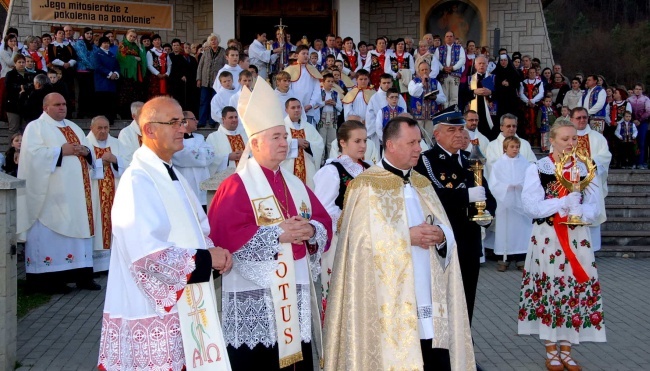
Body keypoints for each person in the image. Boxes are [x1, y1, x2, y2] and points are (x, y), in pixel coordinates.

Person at [326, 116, 474, 371]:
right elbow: (358, 245)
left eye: (419, 141)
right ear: (391, 145)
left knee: (431, 356)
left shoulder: (422, 183)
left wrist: (440, 236)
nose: (419, 148)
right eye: (412, 142)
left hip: (427, 292)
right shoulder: (365, 185)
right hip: (387, 302)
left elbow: (446, 230)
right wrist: (406, 237)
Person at [98, 96, 233, 371]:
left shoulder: (171, 174)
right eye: (173, 122)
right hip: (152, 314)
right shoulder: (138, 180)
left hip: (185, 310)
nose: (183, 128)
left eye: (182, 121)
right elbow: (148, 256)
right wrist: (207, 260)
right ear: (149, 130)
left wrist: (213, 256)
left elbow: (197, 230)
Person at [208, 78, 331, 370]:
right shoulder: (236, 185)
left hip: (295, 287)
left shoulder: (295, 183)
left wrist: (311, 230)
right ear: (255, 143)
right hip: (258, 295)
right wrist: (278, 234)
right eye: (276, 136)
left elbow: (322, 218)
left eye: (284, 136)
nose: (284, 142)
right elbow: (225, 235)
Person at [518, 120, 606, 371]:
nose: (570, 143)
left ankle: (567, 349)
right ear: (552, 141)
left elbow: (595, 206)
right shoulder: (538, 168)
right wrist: (562, 202)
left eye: (574, 139)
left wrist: (580, 210)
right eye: (565, 139)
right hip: (548, 237)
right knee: (550, 289)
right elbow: (531, 206)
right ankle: (550, 349)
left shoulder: (586, 168)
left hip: (577, 237)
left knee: (573, 289)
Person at [414, 107, 496, 330]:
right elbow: (431, 197)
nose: (459, 135)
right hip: (443, 243)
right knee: (441, 302)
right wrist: (466, 195)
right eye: (452, 130)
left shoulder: (472, 159)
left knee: (466, 300)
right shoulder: (426, 161)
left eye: (461, 130)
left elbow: (489, 197)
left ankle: (464, 357)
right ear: (437, 134)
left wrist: (486, 213)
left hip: (469, 242)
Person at [17, 93, 100, 294]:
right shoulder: (36, 127)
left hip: (78, 195)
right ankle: (50, 280)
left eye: (64, 104)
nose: (62, 107)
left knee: (78, 232)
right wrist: (60, 151)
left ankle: (82, 276)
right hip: (51, 196)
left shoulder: (73, 126)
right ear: (46, 107)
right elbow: (32, 156)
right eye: (57, 104)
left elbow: (90, 151)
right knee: (52, 235)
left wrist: (85, 152)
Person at [313, 120, 371, 311]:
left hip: (367, 242)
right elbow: (323, 210)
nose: (363, 146)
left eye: (365, 140)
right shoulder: (331, 171)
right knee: (340, 297)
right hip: (340, 242)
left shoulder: (369, 169)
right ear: (343, 142)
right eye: (357, 141)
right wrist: (354, 219)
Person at [86, 116, 125, 272]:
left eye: (106, 128)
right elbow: (81, 168)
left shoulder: (116, 144)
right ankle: (95, 266)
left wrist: (115, 160)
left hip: (115, 193)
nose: (103, 131)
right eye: (99, 128)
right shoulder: (85, 144)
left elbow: (127, 163)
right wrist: (101, 162)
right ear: (91, 129)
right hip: (94, 193)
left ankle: (113, 264)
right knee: (96, 223)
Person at [487, 136, 531, 271]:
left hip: (520, 203)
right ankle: (503, 258)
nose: (515, 149)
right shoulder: (499, 164)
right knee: (505, 231)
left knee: (521, 231)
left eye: (517, 147)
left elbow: (530, 180)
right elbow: (494, 183)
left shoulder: (525, 164)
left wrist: (521, 186)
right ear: (505, 148)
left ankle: (521, 258)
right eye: (512, 147)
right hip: (504, 204)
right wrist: (506, 187)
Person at [570, 107, 611, 253]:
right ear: (571, 119)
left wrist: (589, 163)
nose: (582, 120)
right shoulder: (565, 136)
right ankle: (572, 249)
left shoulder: (597, 138)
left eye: (584, 117)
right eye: (578, 117)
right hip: (570, 183)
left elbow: (606, 156)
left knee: (591, 212)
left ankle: (591, 250)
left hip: (591, 183)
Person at [282, 98, 325, 189]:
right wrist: (295, 142)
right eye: (293, 108)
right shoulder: (281, 127)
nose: (297, 110)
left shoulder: (309, 127)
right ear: (286, 110)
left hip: (307, 169)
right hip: (288, 169)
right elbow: (277, 146)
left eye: (299, 107)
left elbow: (319, 144)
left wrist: (309, 146)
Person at [284, 45, 323, 125]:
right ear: (297, 55)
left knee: (307, 134)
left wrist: (311, 104)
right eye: (303, 53)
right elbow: (287, 89)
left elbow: (317, 90)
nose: (306, 56)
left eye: (307, 54)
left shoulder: (313, 70)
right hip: (293, 108)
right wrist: (296, 106)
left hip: (308, 109)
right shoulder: (290, 70)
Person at [206, 106, 247, 175]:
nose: (234, 120)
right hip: (226, 178)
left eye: (236, 117)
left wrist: (247, 155)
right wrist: (227, 157)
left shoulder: (245, 134)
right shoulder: (213, 137)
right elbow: (209, 158)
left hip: (246, 175)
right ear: (223, 119)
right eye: (231, 117)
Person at [196, 34, 226, 127]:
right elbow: (200, 66)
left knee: (214, 102)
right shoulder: (206, 52)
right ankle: (202, 121)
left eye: (215, 40)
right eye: (212, 40)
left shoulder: (223, 52)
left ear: (218, 41)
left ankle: (213, 121)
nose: (213, 42)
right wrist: (198, 79)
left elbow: (225, 67)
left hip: (217, 83)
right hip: (205, 81)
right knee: (204, 101)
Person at [116, 29, 147, 119]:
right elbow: (121, 58)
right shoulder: (122, 45)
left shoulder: (136, 46)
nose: (132, 38)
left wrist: (140, 47)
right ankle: (124, 114)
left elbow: (142, 58)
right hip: (126, 74)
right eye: (131, 36)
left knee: (134, 96)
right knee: (125, 96)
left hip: (136, 75)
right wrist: (134, 58)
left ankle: (133, 114)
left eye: (134, 37)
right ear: (126, 35)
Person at [466, 55, 498, 140]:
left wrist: (490, 92)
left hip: (490, 113)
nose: (481, 65)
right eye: (479, 63)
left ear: (487, 65)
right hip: (475, 111)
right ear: (475, 66)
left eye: (484, 63)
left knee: (489, 137)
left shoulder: (494, 78)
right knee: (475, 137)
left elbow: (501, 94)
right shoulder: (469, 79)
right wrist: (474, 92)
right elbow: (463, 95)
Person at [433, 31, 466, 108]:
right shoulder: (439, 49)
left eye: (451, 36)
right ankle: (445, 114)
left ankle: (453, 115)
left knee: (454, 96)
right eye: (447, 36)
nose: (449, 38)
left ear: (454, 38)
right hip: (443, 75)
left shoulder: (459, 48)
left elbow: (462, 60)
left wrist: (453, 68)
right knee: (444, 96)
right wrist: (442, 68)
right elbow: (435, 60)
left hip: (455, 75)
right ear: (444, 38)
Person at [94, 36, 120, 124]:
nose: (106, 45)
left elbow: (117, 66)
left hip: (111, 83)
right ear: (100, 44)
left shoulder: (112, 54)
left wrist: (116, 74)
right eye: (104, 43)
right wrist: (109, 73)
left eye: (108, 43)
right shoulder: (97, 53)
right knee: (102, 102)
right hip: (102, 82)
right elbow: (98, 66)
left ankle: (110, 120)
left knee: (111, 101)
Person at [5, 54, 33, 134]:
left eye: (23, 62)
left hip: (26, 105)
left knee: (26, 129)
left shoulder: (29, 74)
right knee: (14, 128)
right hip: (13, 105)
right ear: (15, 63)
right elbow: (10, 87)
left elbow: (32, 86)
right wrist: (22, 87)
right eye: (19, 62)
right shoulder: (10, 74)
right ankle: (12, 146)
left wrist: (23, 87)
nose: (21, 64)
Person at [73, 27, 97, 119]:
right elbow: (82, 56)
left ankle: (90, 112)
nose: (89, 35)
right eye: (87, 33)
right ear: (83, 34)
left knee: (90, 92)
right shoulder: (79, 43)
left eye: (91, 34)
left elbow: (95, 56)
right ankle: (81, 112)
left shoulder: (92, 44)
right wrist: (92, 66)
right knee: (83, 92)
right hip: (82, 71)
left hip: (91, 71)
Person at [318, 73, 342, 156]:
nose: (330, 83)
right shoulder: (319, 92)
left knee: (331, 142)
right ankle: (321, 161)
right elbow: (315, 105)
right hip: (322, 118)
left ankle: (331, 159)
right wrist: (325, 103)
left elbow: (340, 108)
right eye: (328, 81)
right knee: (321, 141)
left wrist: (334, 104)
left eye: (332, 81)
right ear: (323, 82)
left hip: (332, 118)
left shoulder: (335, 93)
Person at [492, 54, 522, 123]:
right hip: (499, 99)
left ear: (508, 61)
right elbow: (492, 84)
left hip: (511, 98)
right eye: (501, 60)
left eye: (505, 60)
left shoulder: (514, 72)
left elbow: (517, 83)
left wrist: (509, 83)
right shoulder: (495, 72)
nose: (503, 62)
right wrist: (500, 83)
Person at [520, 67, 544, 145]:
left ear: (536, 73)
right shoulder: (523, 82)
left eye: (534, 72)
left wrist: (533, 100)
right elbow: (521, 93)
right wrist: (528, 101)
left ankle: (536, 141)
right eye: (530, 72)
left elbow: (541, 93)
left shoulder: (540, 82)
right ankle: (527, 141)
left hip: (536, 106)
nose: (532, 74)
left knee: (536, 122)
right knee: (526, 123)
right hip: (526, 107)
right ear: (528, 73)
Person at [628, 83, 650, 169]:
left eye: (640, 89)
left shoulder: (646, 99)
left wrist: (639, 120)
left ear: (642, 90)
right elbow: (627, 111)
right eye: (636, 89)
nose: (638, 90)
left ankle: (641, 162)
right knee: (633, 142)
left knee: (641, 142)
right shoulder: (629, 99)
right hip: (631, 122)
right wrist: (633, 120)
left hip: (642, 123)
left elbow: (648, 111)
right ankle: (633, 162)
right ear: (634, 90)